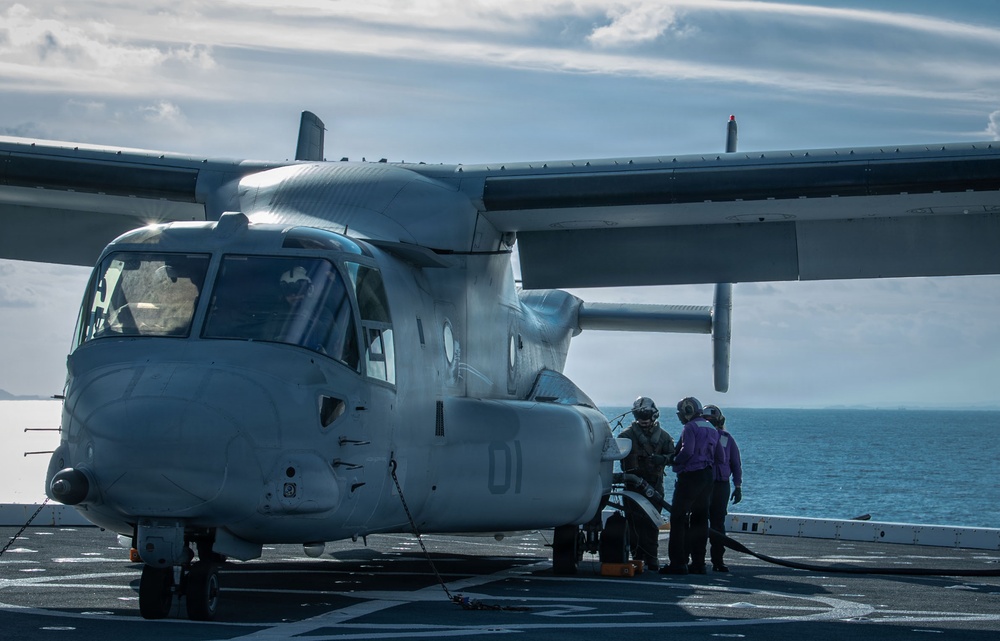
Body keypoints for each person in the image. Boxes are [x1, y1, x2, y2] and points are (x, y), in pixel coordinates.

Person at [660, 396, 720, 575]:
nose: (679, 417)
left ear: (688, 412)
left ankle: (678, 562)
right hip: (707, 477)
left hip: (690, 477)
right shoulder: (711, 428)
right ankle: (699, 563)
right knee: (700, 519)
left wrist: (673, 461)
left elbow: (687, 451)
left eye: (680, 413)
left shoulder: (690, 427)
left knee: (678, 518)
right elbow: (718, 455)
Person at [619, 396, 675, 571]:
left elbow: (673, 457)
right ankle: (637, 557)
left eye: (646, 414)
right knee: (634, 522)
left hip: (654, 485)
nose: (643, 419)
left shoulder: (664, 437)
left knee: (652, 523)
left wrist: (662, 459)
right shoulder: (626, 436)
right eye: (639, 414)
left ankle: (651, 558)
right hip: (633, 486)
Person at [703, 404, 742, 572]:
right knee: (700, 522)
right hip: (705, 484)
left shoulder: (727, 438)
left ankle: (717, 560)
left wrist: (738, 485)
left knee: (717, 524)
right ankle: (697, 560)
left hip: (721, 486)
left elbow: (735, 463)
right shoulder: (700, 437)